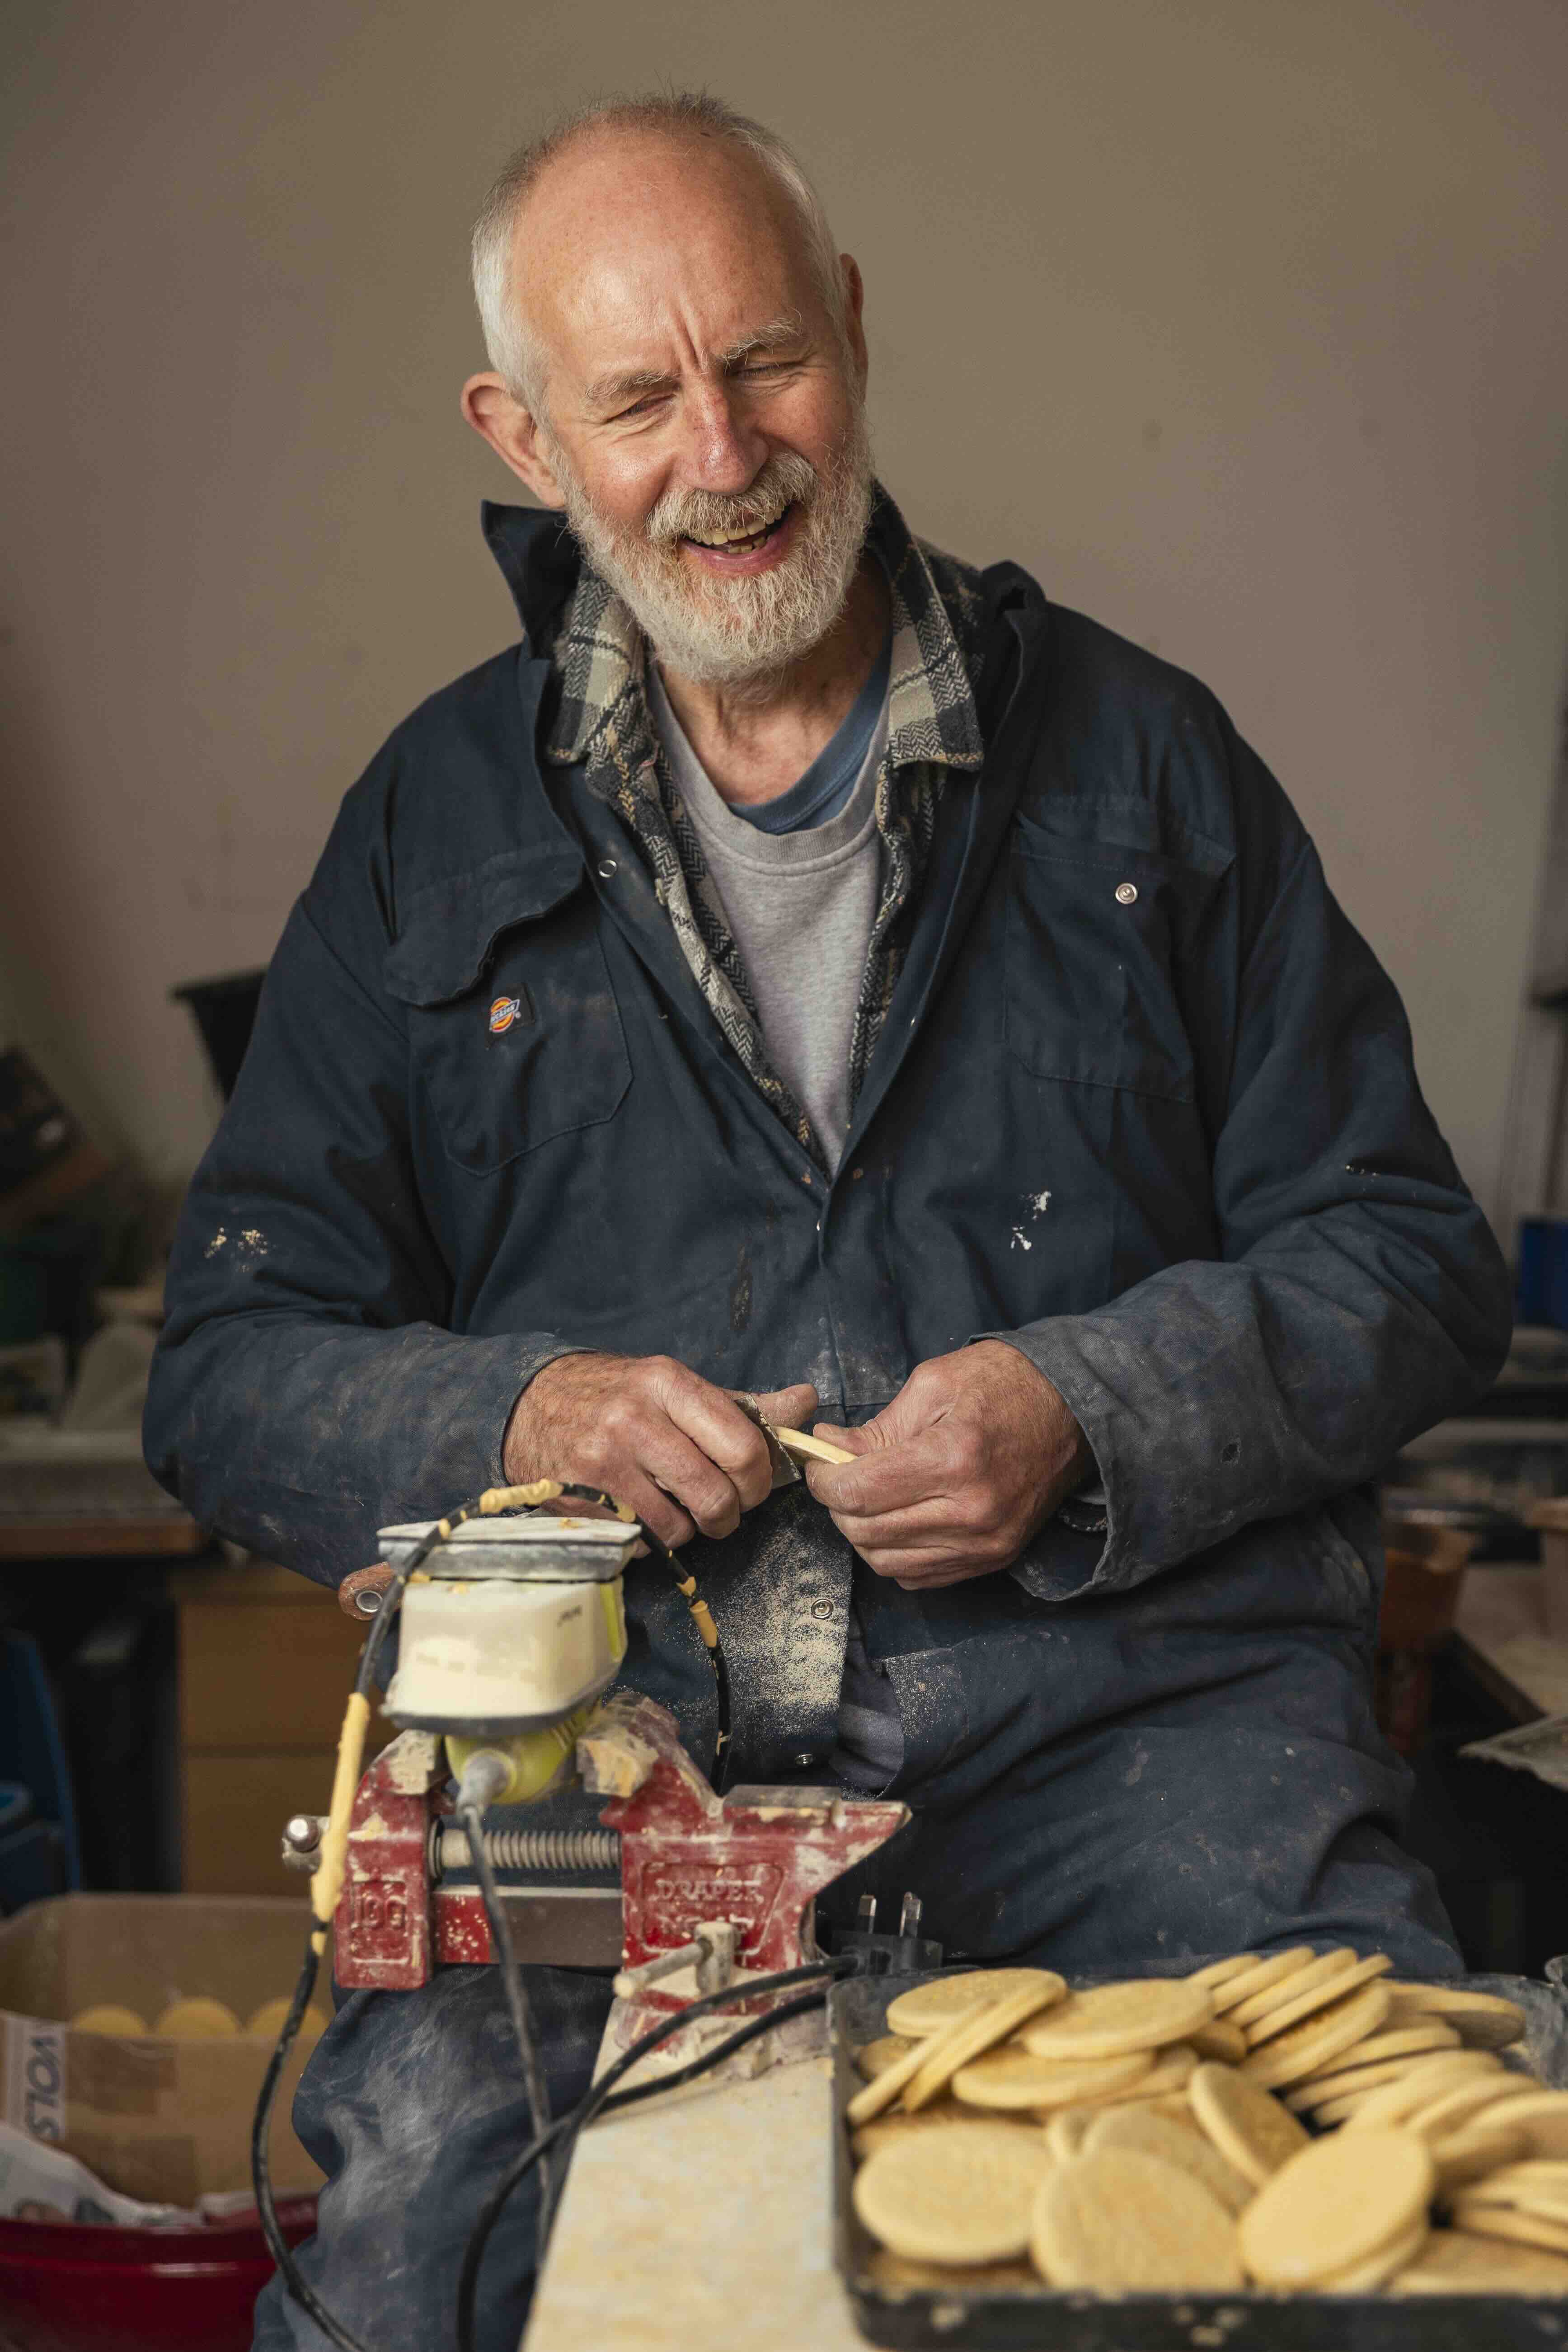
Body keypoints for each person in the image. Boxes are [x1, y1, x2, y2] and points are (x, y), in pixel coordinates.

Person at [144, 89, 1512, 2352]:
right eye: (635, 396)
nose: (723, 449)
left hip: (1134, 1713)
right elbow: (234, 1363)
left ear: (852, 335)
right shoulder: (426, 823)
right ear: (523, 433)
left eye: (763, 360)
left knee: (1354, 2226)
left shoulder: (1143, 765)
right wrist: (533, 1410)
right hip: (599, 1742)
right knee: (419, 2274)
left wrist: (1085, 1405)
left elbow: (1405, 1251)